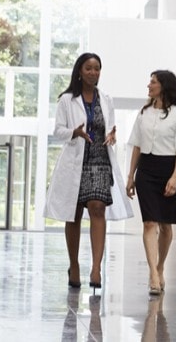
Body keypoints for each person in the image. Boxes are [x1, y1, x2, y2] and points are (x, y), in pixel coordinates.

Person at [44, 52, 133, 292]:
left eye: (97, 68)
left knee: (97, 208)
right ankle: (74, 265)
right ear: (80, 72)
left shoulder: (106, 99)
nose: (93, 73)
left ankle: (96, 268)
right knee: (73, 214)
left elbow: (110, 129)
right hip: (75, 161)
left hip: (99, 160)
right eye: (89, 68)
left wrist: (112, 136)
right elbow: (57, 131)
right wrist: (74, 132)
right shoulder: (67, 100)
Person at [126, 70, 176, 296]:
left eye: (153, 82)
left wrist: (174, 177)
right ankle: (153, 274)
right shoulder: (143, 113)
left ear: (163, 86)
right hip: (146, 170)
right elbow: (136, 145)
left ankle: (160, 266)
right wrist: (130, 176)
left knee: (165, 226)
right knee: (149, 223)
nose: (148, 85)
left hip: (168, 169)